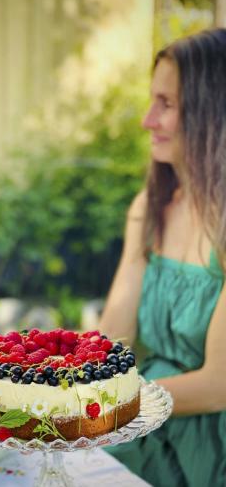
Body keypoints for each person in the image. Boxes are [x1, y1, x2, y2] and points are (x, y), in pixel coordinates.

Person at [99, 28, 226, 487]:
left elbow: (217, 387)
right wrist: (55, 382)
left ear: (213, 110)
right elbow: (111, 340)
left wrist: (102, 404)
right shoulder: (149, 207)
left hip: (210, 451)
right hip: (142, 423)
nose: (147, 120)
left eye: (166, 104)